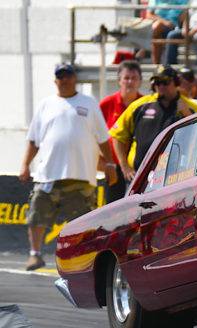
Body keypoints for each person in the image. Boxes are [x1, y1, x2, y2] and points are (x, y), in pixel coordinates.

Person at [19, 64, 117, 271]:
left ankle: (80, 258)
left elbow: (103, 139)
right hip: (48, 174)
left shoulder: (89, 103)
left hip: (81, 174)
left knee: (82, 221)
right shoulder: (45, 104)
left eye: (68, 76)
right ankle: (34, 254)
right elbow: (33, 140)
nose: (64, 80)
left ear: (75, 79)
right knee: (37, 214)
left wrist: (109, 164)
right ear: (55, 80)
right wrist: (25, 165)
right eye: (60, 76)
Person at [110, 65, 197, 181]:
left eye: (165, 82)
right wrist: (125, 167)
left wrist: (187, 114)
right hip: (140, 177)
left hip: (176, 177)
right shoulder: (139, 106)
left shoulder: (192, 108)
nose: (161, 86)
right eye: (157, 82)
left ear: (176, 82)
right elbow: (117, 135)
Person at [99, 60, 143, 203]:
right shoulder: (106, 104)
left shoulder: (146, 105)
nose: (130, 82)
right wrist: (102, 163)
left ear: (140, 81)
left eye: (134, 78)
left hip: (140, 169)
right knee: (112, 213)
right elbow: (94, 136)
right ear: (119, 81)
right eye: (126, 78)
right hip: (114, 169)